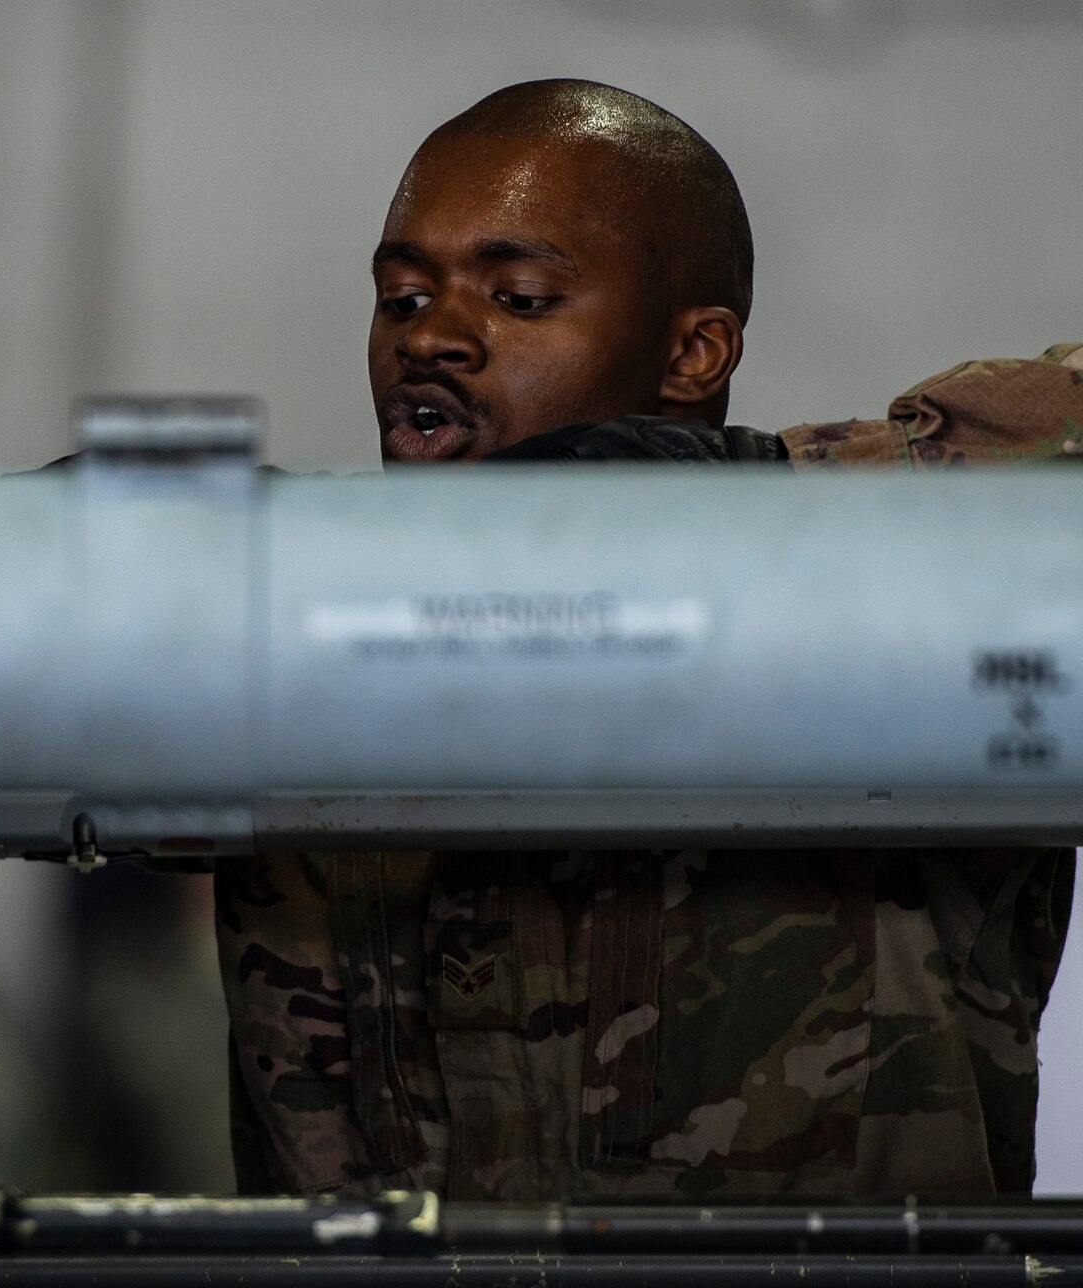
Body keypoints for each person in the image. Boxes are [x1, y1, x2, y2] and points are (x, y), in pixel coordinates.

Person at [218, 78, 1080, 1200]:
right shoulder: (298, 644)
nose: (429, 335)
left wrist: (759, 483)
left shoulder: (897, 634)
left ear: (693, 356)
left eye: (517, 297)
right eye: (398, 298)